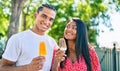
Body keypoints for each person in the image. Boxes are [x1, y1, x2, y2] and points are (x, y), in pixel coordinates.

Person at [0, 4, 58, 71]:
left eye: (51, 19)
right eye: (44, 16)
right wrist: (27, 68)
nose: (46, 21)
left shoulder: (52, 43)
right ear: (36, 15)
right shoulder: (17, 39)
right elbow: (2, 68)